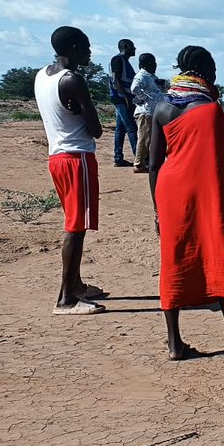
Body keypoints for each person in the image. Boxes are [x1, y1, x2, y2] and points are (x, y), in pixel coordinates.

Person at [150, 46, 224, 360]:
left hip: (170, 192)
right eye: (212, 68)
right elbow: (217, 163)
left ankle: (175, 343)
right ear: (202, 69)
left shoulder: (161, 106)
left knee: (173, 260)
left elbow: (154, 164)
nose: (214, 74)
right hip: (206, 192)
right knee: (220, 254)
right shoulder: (210, 109)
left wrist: (158, 208)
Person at [35, 26, 106, 315]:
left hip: (56, 157)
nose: (90, 52)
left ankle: (76, 284)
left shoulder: (43, 75)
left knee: (74, 222)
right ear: (74, 48)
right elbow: (96, 129)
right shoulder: (73, 80)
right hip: (77, 157)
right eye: (86, 47)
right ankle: (66, 298)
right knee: (76, 228)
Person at [129, 52, 165, 174]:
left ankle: (147, 162)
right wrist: (145, 97)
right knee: (144, 138)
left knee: (151, 138)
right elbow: (134, 88)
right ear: (147, 64)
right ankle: (138, 164)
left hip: (153, 111)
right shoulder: (141, 76)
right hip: (145, 111)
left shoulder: (151, 76)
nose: (155, 65)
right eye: (153, 62)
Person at [108, 39, 138, 167]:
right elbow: (116, 80)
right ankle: (140, 158)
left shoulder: (125, 62)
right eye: (132, 46)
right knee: (132, 128)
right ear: (125, 46)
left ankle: (118, 158)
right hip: (121, 98)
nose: (135, 49)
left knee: (120, 129)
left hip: (123, 98)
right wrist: (126, 98)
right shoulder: (117, 60)